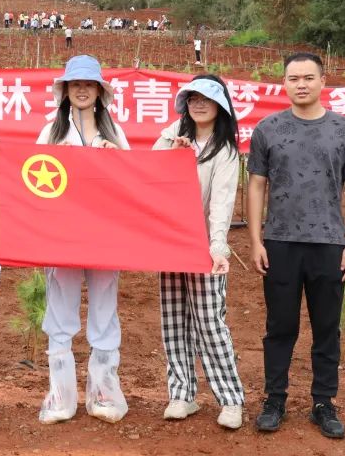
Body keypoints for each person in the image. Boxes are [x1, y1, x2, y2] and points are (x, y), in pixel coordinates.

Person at [246, 52, 345, 440]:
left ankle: (323, 402)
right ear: (284, 83)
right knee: (279, 326)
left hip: (329, 243)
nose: (301, 84)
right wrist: (256, 240)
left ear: (322, 81)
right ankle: (274, 399)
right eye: (293, 78)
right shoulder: (268, 129)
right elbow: (256, 186)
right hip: (280, 242)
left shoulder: (344, 130)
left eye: (308, 77)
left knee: (326, 327)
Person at [36, 55, 130, 425]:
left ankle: (104, 393)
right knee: (60, 307)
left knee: (105, 306)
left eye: (88, 84)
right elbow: (34, 177)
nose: (81, 89)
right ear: (65, 90)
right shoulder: (51, 132)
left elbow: (131, 179)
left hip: (105, 233)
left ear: (99, 91)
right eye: (75, 84)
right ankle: (61, 396)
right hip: (62, 235)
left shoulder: (114, 132)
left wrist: (115, 159)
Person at [152, 75, 244, 429]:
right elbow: (148, 176)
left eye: (206, 98)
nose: (199, 104)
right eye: (192, 98)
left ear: (220, 105)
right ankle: (182, 394)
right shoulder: (171, 135)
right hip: (170, 243)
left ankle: (230, 399)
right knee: (174, 319)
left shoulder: (225, 151)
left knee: (209, 322)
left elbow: (221, 202)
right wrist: (173, 155)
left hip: (203, 246)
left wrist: (217, 247)